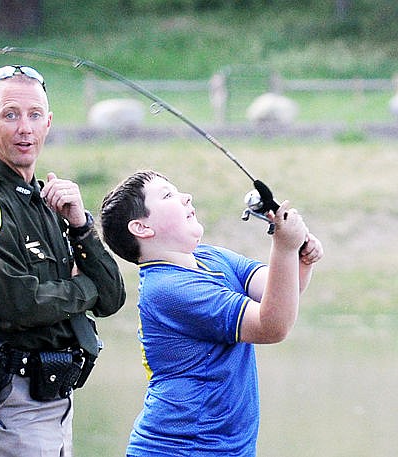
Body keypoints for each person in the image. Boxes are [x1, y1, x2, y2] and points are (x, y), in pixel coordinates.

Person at [0, 65, 126, 457]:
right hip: (13, 397)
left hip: (55, 394)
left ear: (48, 123)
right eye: (10, 115)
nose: (25, 128)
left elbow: (112, 298)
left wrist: (79, 223)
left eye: (34, 115)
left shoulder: (49, 201)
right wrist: (84, 286)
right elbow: (20, 304)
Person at [99, 170, 324, 457]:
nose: (186, 197)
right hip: (181, 449)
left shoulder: (211, 257)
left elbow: (279, 291)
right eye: (168, 195)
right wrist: (284, 247)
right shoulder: (169, 289)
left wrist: (298, 257)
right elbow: (273, 326)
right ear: (141, 228)